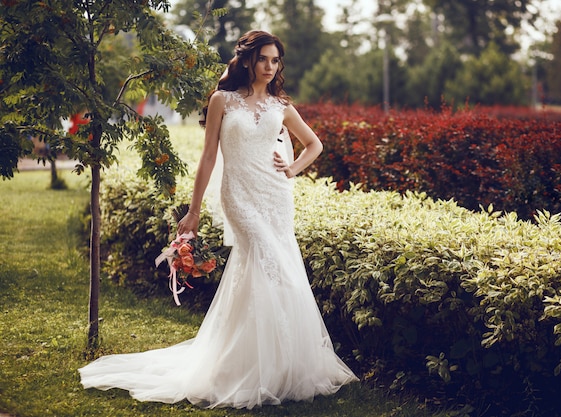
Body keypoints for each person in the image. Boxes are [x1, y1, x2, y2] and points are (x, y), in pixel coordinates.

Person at [79, 30, 358, 409]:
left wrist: (291, 169)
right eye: (263, 59)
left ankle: (274, 364)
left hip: (275, 196)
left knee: (269, 270)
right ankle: (252, 368)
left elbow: (315, 144)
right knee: (269, 262)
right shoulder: (221, 100)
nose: (270, 67)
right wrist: (193, 211)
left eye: (276, 61)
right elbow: (209, 156)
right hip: (239, 196)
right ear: (247, 60)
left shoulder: (281, 105)